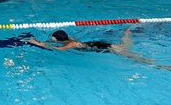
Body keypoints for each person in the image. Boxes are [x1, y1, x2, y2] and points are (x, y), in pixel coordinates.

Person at [26, 28, 156, 65]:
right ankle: (127, 32)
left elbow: (58, 49)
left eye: (52, 38)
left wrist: (39, 44)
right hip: (99, 44)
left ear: (57, 39)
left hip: (104, 47)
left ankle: (159, 65)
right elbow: (57, 43)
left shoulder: (70, 44)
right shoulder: (69, 39)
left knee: (132, 57)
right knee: (124, 46)